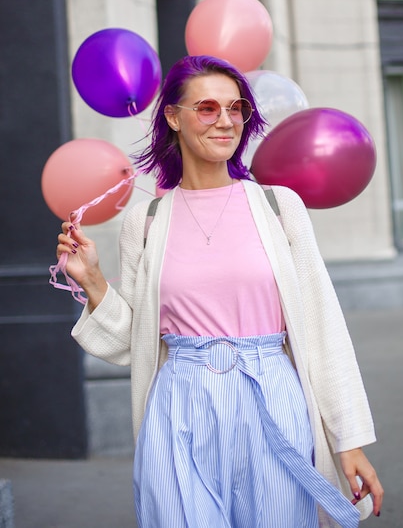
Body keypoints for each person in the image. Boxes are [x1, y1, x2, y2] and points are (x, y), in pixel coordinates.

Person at [57, 54, 383, 528]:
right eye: (208, 108)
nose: (225, 121)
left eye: (236, 109)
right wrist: (92, 282)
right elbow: (133, 341)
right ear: (173, 116)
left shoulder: (278, 207)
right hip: (178, 406)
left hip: (272, 396)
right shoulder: (146, 222)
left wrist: (347, 440)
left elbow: (322, 323)